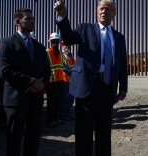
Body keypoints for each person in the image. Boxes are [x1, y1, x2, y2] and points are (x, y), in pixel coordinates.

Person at [54, 0, 128, 155]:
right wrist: (62, 17)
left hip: (107, 89)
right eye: (101, 9)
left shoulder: (119, 38)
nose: (104, 12)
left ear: (114, 13)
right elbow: (68, 38)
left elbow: (121, 63)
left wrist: (123, 88)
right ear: (96, 12)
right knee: (84, 133)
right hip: (86, 88)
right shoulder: (84, 29)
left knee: (104, 133)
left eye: (108, 9)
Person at [0, 8, 51, 156]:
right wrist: (31, 81)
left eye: (33, 19)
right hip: (16, 100)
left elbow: (47, 71)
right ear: (17, 22)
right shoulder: (7, 43)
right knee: (14, 139)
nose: (32, 21)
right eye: (28, 19)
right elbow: (5, 70)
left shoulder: (39, 47)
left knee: (33, 139)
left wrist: (41, 84)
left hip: (35, 99)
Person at [45, 32, 69, 127]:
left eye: (56, 41)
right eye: (53, 41)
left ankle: (56, 118)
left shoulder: (61, 54)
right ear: (50, 42)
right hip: (51, 82)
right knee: (51, 102)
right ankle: (50, 120)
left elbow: (64, 65)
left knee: (58, 101)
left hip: (60, 81)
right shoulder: (46, 53)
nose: (55, 43)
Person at [60, 42, 76, 120]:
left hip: (71, 80)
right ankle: (64, 114)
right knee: (65, 98)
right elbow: (63, 67)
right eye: (65, 45)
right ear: (62, 46)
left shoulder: (71, 56)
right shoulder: (62, 55)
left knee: (71, 98)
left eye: (68, 45)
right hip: (65, 80)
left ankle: (68, 112)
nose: (67, 46)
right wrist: (72, 72)